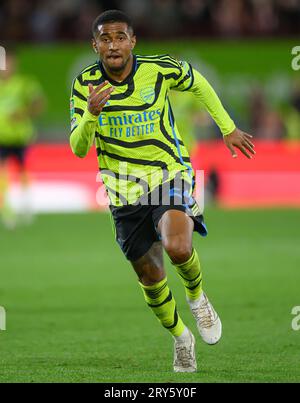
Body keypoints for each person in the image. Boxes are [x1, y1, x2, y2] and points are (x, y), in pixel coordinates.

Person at [70, 10, 255, 372]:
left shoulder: (158, 69)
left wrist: (228, 127)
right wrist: (91, 114)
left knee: (178, 245)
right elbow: (78, 147)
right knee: (151, 277)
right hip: (123, 191)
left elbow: (198, 81)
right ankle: (181, 337)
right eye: (105, 39)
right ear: (95, 45)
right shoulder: (84, 86)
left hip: (167, 174)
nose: (113, 45)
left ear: (132, 41)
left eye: (120, 37)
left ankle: (198, 298)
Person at [0, 49, 44, 228]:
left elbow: (39, 104)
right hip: (1, 137)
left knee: (23, 171)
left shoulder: (25, 84)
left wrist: (23, 113)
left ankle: (26, 205)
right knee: (2, 173)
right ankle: (7, 210)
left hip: (20, 136)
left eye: (9, 63)